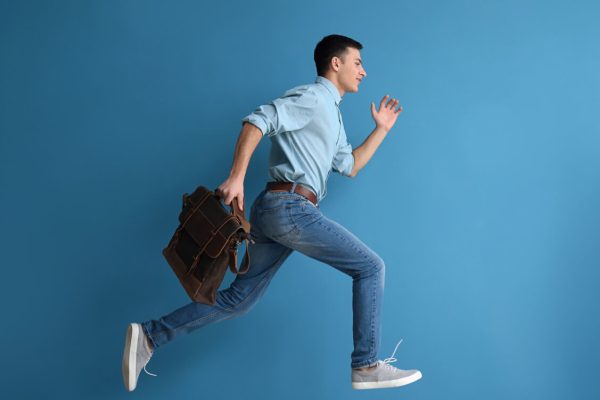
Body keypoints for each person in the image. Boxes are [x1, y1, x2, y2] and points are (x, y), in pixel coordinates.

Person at [122, 34, 422, 391]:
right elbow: (257, 121)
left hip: (277, 211)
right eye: (357, 63)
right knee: (371, 267)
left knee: (238, 300)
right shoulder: (312, 98)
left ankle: (150, 336)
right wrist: (237, 177)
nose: (364, 71)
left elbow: (351, 165)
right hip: (290, 206)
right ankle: (365, 364)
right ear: (335, 63)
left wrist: (381, 130)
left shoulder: (333, 116)